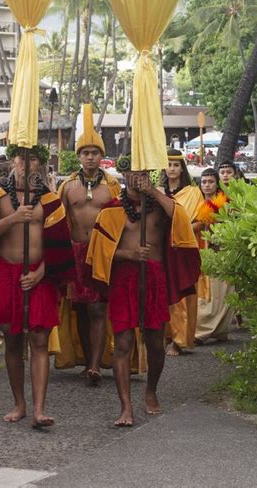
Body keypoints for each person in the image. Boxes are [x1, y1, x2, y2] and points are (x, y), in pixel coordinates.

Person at [0, 144, 74, 427]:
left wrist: (41, 273)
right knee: (11, 337)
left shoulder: (51, 201)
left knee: (39, 339)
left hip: (40, 276)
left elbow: (60, 246)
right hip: (5, 273)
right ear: (13, 161)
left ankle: (39, 409)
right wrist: (13, 217)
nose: (25, 163)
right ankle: (19, 403)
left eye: (32, 158)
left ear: (40, 164)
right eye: (21, 157)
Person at [86, 154, 200, 426]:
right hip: (124, 279)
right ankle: (125, 407)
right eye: (133, 173)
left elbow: (181, 219)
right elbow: (98, 254)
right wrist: (127, 253)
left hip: (155, 277)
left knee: (155, 343)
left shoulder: (161, 207)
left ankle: (151, 391)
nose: (138, 178)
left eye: (143, 173)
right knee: (123, 343)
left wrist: (153, 192)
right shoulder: (112, 210)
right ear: (124, 176)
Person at [57, 103, 120, 381]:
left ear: (101, 156)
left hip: (102, 254)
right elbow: (58, 222)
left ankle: (95, 363)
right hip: (75, 252)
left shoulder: (113, 186)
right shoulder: (67, 186)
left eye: (95, 153)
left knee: (97, 308)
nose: (90, 157)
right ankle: (86, 360)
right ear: (79, 156)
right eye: (85, 153)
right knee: (80, 308)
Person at [162, 149, 203, 356]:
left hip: (183, 249)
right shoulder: (159, 192)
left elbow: (200, 221)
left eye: (176, 165)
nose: (172, 169)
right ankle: (168, 334)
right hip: (162, 248)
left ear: (182, 168)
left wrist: (181, 229)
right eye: (169, 164)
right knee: (164, 292)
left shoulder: (193, 192)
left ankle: (180, 340)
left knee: (183, 295)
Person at [194, 168, 234, 343]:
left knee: (221, 294)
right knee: (205, 296)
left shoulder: (224, 202)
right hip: (201, 251)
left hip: (219, 251)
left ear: (216, 184)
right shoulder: (196, 203)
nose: (207, 185)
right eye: (204, 182)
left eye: (210, 182)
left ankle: (216, 331)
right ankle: (203, 330)